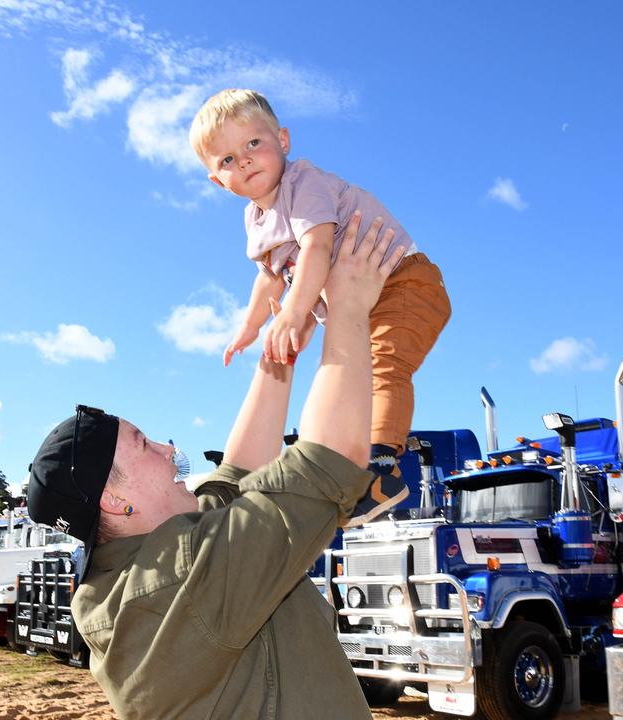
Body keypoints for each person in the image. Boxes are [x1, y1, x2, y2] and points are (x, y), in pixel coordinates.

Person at [28, 214, 403, 719]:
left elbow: (237, 472)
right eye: (142, 444)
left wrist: (286, 335)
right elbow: (327, 462)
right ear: (114, 501)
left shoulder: (150, 562)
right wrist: (349, 307)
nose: (166, 448)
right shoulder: (172, 588)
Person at [190, 88, 452, 527]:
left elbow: (316, 245)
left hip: (405, 280)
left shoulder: (302, 182)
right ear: (219, 182)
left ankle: (383, 470)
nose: (246, 160)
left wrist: (294, 311)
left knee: (384, 365)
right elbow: (269, 277)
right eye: (228, 160)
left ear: (284, 141)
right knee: (350, 379)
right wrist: (250, 327)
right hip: (360, 301)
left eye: (254, 143)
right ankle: (345, 466)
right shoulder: (255, 220)